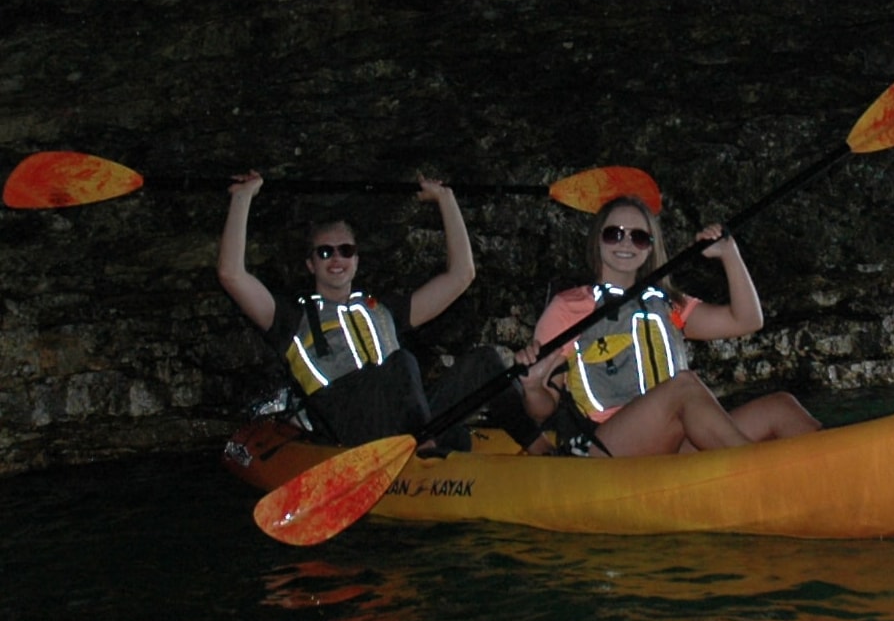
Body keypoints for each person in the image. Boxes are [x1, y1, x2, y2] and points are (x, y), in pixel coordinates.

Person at [216, 171, 535, 449]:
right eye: (325, 252)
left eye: (346, 250)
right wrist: (243, 197)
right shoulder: (291, 319)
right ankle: (423, 451)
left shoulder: (383, 310)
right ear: (311, 264)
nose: (337, 259)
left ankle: (537, 446)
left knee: (487, 362)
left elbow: (461, 275)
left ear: (356, 259)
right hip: (353, 423)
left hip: (406, 419)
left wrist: (445, 199)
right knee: (401, 362)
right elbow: (232, 274)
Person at [516, 194, 820, 457]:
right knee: (684, 386)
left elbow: (747, 320)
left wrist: (730, 254)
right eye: (614, 234)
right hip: (606, 445)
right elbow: (542, 410)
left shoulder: (666, 304)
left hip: (670, 438)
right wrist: (532, 388)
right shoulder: (569, 308)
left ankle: (839, 474)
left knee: (781, 407)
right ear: (597, 240)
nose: (626, 243)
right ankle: (757, 473)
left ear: (650, 248)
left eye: (638, 236)